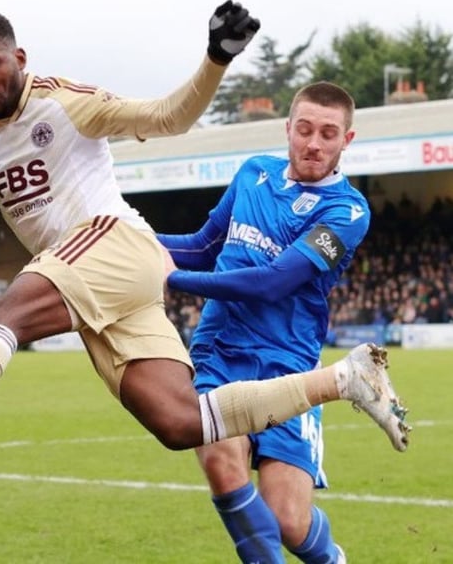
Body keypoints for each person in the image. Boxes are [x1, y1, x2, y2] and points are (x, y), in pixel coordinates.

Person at [0, 3, 409, 484]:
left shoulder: (66, 102)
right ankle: (346, 380)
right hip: (93, 279)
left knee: (1, 314)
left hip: (113, 243)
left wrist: (214, 58)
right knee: (182, 422)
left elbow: (167, 117)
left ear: (18, 57)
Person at [157, 81, 406, 562]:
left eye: (328, 134)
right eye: (305, 130)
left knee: (289, 521)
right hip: (219, 353)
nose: (314, 143)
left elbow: (274, 282)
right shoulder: (253, 173)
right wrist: (132, 240)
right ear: (288, 129)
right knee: (223, 463)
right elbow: (203, 245)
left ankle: (330, 557)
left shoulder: (347, 211)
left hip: (290, 364)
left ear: (346, 141)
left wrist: (175, 280)